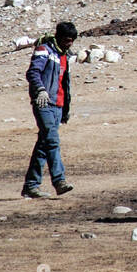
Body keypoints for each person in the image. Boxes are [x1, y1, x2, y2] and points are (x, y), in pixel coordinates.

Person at [22, 21, 78, 198]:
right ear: (59, 37)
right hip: (43, 103)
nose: (69, 44)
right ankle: (59, 181)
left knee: (43, 145)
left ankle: (31, 186)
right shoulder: (44, 50)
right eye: (67, 40)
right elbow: (33, 72)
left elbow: (64, 83)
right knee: (52, 141)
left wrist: (65, 109)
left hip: (58, 106)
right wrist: (40, 89)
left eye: (72, 41)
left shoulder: (64, 55)